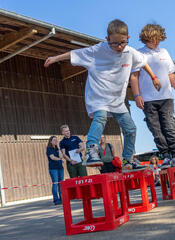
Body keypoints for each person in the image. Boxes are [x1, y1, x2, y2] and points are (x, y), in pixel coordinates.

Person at [44, 19, 161, 170]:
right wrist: (55, 58)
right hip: (98, 96)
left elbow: (143, 61)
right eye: (114, 43)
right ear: (107, 39)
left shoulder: (130, 52)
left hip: (117, 100)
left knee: (131, 128)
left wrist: (154, 77)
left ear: (128, 39)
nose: (118, 47)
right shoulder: (98, 50)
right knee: (101, 117)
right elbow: (75, 54)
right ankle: (91, 152)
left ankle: (128, 159)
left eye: (122, 43)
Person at [130, 24, 175, 169]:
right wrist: (136, 95)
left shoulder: (164, 52)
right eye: (155, 39)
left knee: (169, 126)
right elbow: (134, 76)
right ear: (148, 37)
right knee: (156, 129)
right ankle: (165, 156)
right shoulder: (138, 53)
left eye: (160, 39)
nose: (158, 42)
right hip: (148, 99)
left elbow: (171, 73)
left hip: (166, 96)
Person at [46, 136, 64, 205]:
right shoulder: (49, 148)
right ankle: (56, 199)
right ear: (50, 141)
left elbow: (61, 156)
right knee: (55, 183)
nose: (56, 141)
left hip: (60, 168)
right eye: (54, 140)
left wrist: (59, 149)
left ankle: (62, 198)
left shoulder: (57, 148)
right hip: (53, 169)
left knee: (61, 184)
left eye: (56, 140)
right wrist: (60, 159)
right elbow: (52, 157)